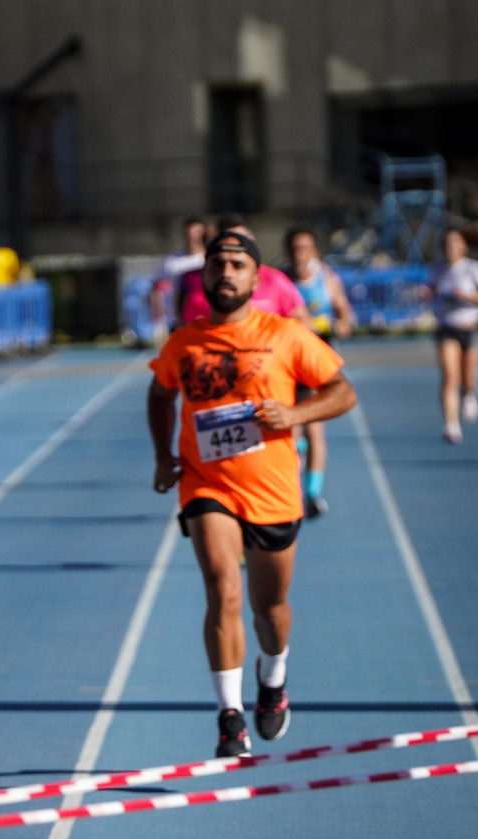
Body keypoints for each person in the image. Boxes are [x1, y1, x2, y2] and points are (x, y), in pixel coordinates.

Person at [147, 230, 355, 758]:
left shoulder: (285, 335)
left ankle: (274, 676)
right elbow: (160, 392)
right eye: (217, 264)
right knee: (223, 589)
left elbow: (342, 391)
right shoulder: (183, 343)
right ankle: (229, 716)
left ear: (256, 277)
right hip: (207, 484)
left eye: (237, 264)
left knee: (271, 609)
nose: (225, 273)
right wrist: (163, 455)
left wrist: (297, 413)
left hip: (273, 490)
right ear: (205, 275)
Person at [284, 226, 354, 519]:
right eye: (295, 249)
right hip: (285, 364)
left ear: (315, 252)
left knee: (314, 430)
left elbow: (345, 315)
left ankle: (312, 494)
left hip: (316, 364)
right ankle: (290, 491)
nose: (300, 255)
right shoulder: (280, 281)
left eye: (306, 248)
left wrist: (338, 325)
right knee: (289, 432)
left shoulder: (327, 278)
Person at [429, 228, 478, 444]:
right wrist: (426, 293)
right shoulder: (437, 269)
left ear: (463, 246)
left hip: (470, 328)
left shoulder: (473, 268)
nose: (451, 247)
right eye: (447, 243)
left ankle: (469, 394)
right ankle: (451, 424)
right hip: (447, 328)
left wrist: (469, 296)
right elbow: (432, 290)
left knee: (468, 378)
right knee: (450, 375)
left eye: (455, 243)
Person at [178, 215, 305, 326]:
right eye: (229, 242)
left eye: (242, 240)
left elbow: (301, 320)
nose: (227, 273)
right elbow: (187, 332)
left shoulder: (275, 280)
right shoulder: (201, 290)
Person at [151, 216, 206, 336]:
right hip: (178, 321)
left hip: (204, 319)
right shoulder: (172, 260)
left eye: (197, 234)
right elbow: (155, 287)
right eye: (190, 234)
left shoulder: (209, 259)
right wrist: (158, 319)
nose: (193, 238)